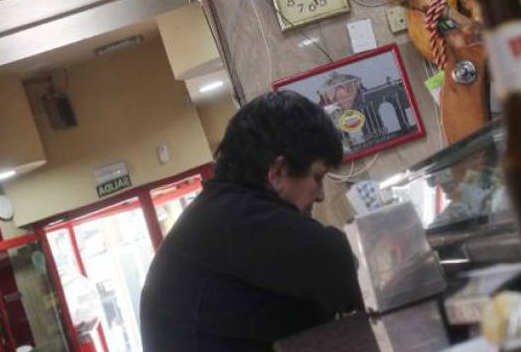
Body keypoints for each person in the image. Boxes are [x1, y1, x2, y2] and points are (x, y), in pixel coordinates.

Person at [140, 91, 362, 351]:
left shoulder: (220, 211)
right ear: (278, 172)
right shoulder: (232, 216)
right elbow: (344, 266)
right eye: (317, 176)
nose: (321, 195)